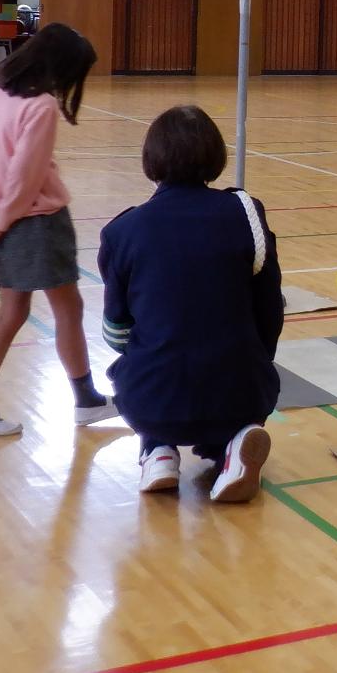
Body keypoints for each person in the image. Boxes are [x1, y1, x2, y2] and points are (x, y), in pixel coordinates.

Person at [100, 106, 282, 501]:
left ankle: (157, 450)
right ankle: (230, 449)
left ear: (151, 159)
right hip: (240, 390)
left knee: (133, 363)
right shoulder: (245, 214)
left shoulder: (122, 231)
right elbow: (271, 311)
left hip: (151, 397)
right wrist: (256, 362)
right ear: (215, 155)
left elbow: (116, 332)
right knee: (237, 373)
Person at [0, 22, 115, 437]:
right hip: (36, 222)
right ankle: (86, 400)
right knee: (67, 309)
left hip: (1, 219)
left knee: (12, 312)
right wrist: (2, 219)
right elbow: (26, 177)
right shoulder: (40, 106)